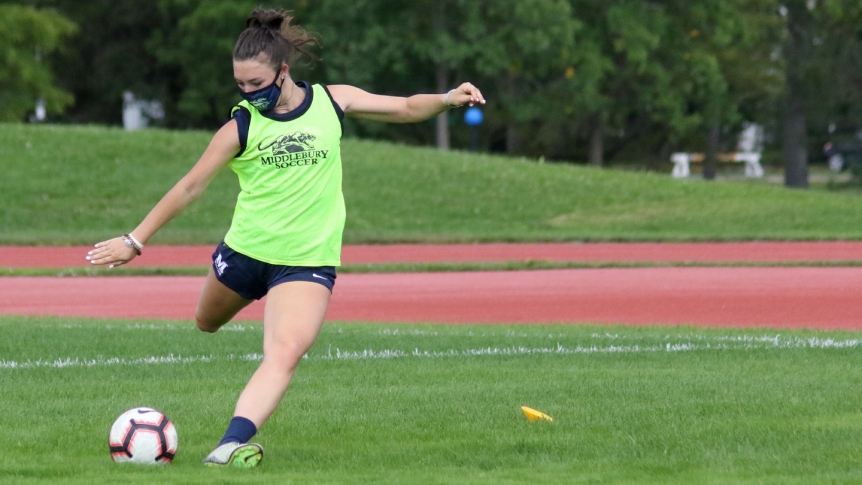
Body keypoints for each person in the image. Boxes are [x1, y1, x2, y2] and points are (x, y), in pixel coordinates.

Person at [85, 8, 485, 468]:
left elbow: (406, 107)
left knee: (285, 351)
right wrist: (134, 240)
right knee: (206, 322)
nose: (248, 92)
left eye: (257, 84)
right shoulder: (240, 126)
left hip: (305, 261)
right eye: (241, 85)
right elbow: (190, 187)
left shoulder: (333, 101)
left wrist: (448, 98)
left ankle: (229, 446)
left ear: (284, 71)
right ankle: (237, 322)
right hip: (244, 252)